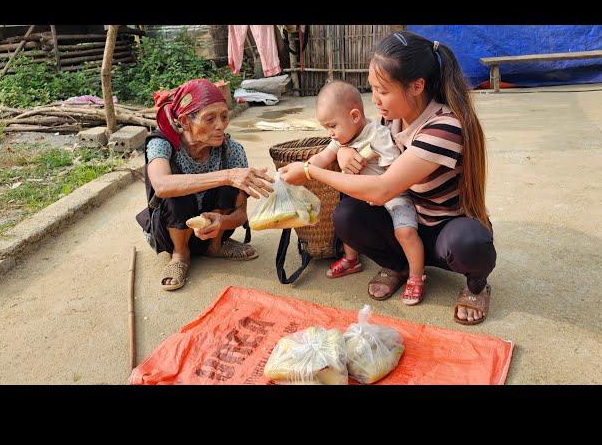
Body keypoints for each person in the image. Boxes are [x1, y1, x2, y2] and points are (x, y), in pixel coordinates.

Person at [279, 31, 496, 325]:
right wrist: (343, 151)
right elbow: (362, 140)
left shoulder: (445, 127)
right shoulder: (390, 119)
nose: (375, 100)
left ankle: (477, 287)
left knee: (470, 242)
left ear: (417, 86)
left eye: (383, 90)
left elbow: (382, 189)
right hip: (404, 222)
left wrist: (309, 170)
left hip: (444, 232)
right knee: (347, 215)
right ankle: (398, 266)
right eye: (372, 89)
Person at [135, 78, 274, 291]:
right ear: (185, 122)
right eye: (210, 119)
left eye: (224, 116)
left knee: (230, 186)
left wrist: (222, 221)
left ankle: (215, 246)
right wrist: (227, 175)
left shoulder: (232, 151)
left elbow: (241, 215)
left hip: (214, 230)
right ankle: (180, 255)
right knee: (177, 188)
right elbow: (162, 185)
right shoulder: (162, 144)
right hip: (170, 232)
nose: (220, 125)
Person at [304, 80, 426, 305]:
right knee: (344, 220)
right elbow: (323, 157)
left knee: (406, 233)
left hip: (393, 196)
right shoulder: (340, 139)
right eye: (326, 128)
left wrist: (377, 187)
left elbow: (395, 172)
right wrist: (304, 169)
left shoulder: (377, 135)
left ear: (354, 116)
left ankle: (416, 276)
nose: (330, 133)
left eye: (332, 126)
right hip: (365, 198)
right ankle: (351, 259)